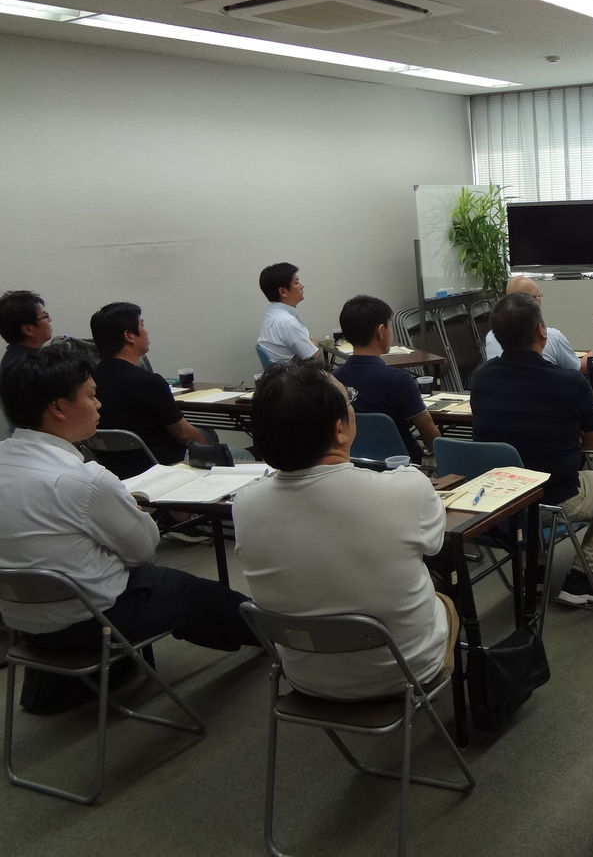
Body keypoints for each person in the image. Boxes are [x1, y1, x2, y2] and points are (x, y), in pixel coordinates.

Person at [0, 344, 257, 713]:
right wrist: (133, 513)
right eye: (91, 396)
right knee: (199, 594)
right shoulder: (82, 479)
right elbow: (143, 551)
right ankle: (274, 639)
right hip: (93, 619)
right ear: (58, 407)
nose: (99, 404)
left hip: (21, 620)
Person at [233, 360, 456, 699]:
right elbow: (435, 546)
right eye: (349, 399)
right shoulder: (406, 488)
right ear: (340, 429)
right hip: (404, 672)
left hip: (305, 678)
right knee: (447, 595)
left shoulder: (245, 504)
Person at [471, 292, 593, 605]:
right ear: (541, 331)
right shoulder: (568, 382)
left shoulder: (481, 378)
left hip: (501, 498)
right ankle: (583, 577)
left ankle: (535, 570)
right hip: (556, 498)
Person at [89, 301, 211, 478]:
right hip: (165, 469)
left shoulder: (88, 382)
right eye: (142, 325)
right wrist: (212, 444)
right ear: (129, 335)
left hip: (117, 474)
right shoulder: (149, 382)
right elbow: (184, 434)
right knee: (238, 453)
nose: (146, 332)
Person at [332, 295, 439, 463]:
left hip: (354, 464)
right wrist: (435, 448)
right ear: (381, 331)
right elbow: (427, 429)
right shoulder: (399, 380)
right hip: (401, 466)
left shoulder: (333, 380)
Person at [482, 277, 590, 373]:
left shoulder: (491, 336)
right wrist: (591, 357)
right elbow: (577, 368)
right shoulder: (553, 337)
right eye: (537, 296)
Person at [257, 262, 320, 364]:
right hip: (296, 373)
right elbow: (314, 357)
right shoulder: (287, 322)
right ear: (283, 291)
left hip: (280, 372)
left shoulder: (271, 315)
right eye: (296, 283)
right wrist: (314, 344)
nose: (302, 286)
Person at [0, 290, 52, 375]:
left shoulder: (17, 357)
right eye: (45, 316)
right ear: (28, 330)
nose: (50, 320)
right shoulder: (28, 369)